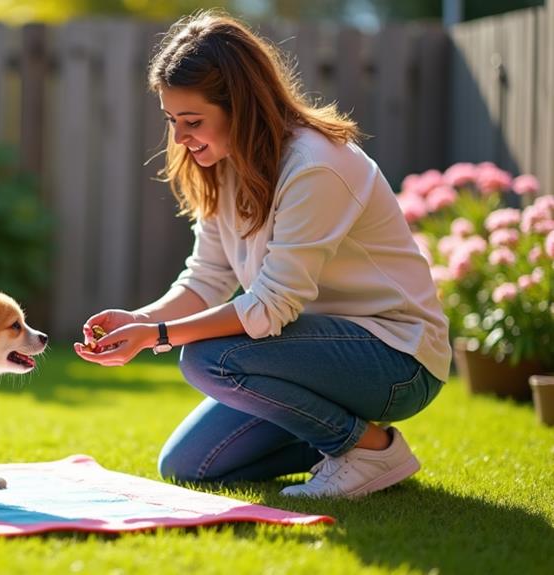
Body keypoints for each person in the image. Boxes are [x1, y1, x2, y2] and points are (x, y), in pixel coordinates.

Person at [73, 11, 451, 498]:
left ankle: (371, 451)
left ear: (243, 106)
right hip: (309, 358)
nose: (181, 138)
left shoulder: (317, 165)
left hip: (398, 359)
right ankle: (343, 440)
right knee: (190, 464)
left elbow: (273, 305)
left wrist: (159, 336)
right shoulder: (221, 165)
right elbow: (205, 279)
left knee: (208, 358)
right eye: (172, 121)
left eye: (193, 121)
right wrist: (138, 321)